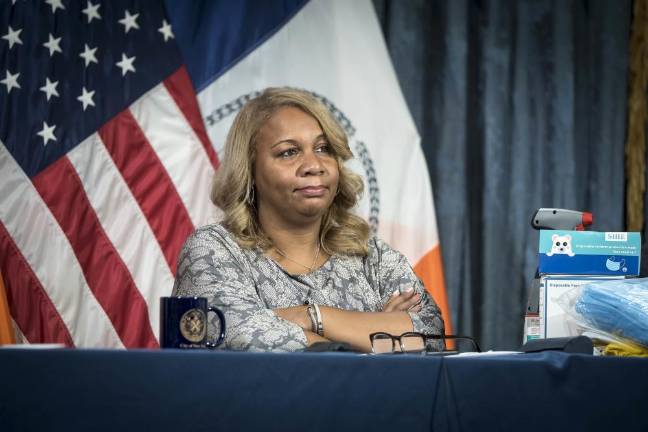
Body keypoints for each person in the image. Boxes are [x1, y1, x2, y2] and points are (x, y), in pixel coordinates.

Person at [173, 87, 445, 352]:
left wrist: (309, 317)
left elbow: (430, 336)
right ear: (250, 170)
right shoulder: (213, 250)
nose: (314, 165)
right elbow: (243, 337)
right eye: (288, 152)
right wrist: (377, 334)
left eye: (324, 148)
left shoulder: (372, 257)